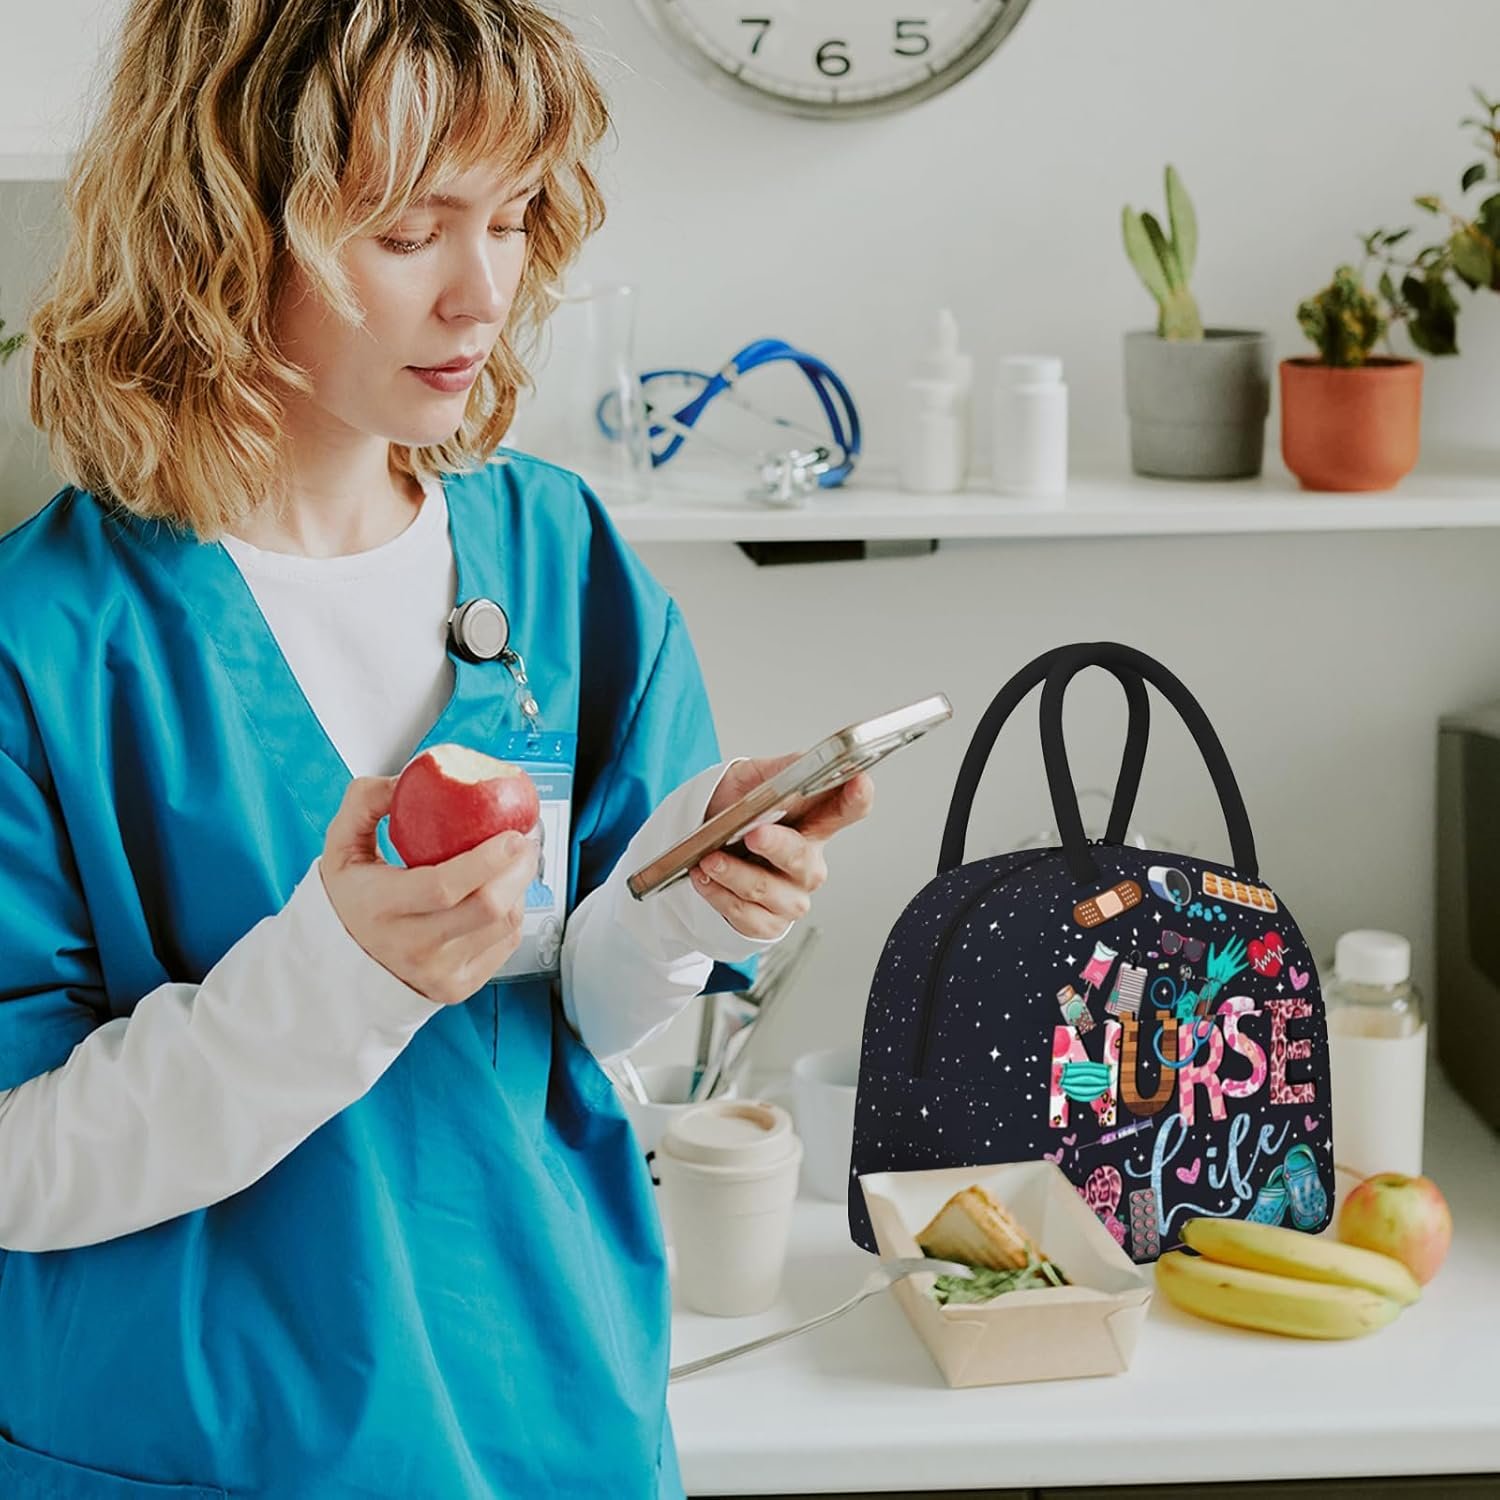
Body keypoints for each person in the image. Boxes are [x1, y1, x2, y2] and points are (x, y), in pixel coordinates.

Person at [0, 2, 873, 1495]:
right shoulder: (48, 643)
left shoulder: (561, 557)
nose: (485, 294)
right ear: (223, 232)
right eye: (411, 232)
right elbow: (19, 1164)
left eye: (516, 217)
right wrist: (341, 973)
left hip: (546, 1413)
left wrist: (676, 905)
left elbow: (560, 1031)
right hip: (207, 1445)